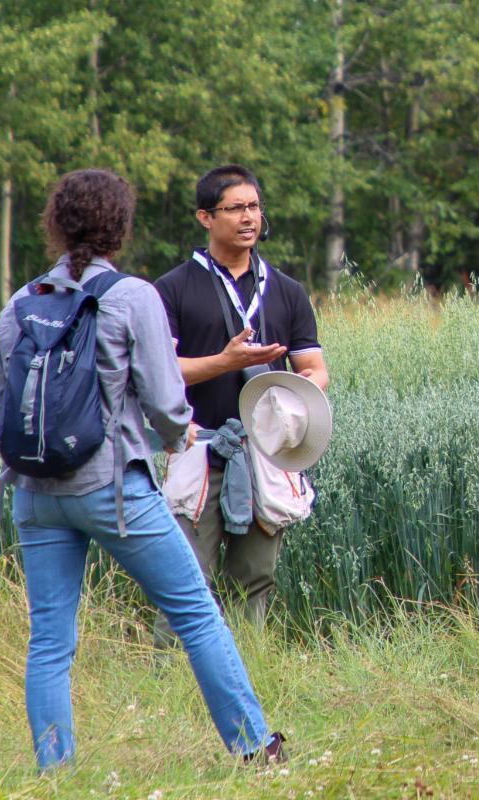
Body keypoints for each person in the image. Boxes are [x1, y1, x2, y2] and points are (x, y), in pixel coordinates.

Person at [0, 168, 283, 770]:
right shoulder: (132, 296)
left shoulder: (22, 302)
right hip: (112, 488)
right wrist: (177, 438)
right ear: (120, 226)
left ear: (57, 225)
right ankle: (254, 745)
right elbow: (167, 402)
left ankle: (54, 769)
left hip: (34, 492)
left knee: (49, 639)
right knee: (196, 612)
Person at [153, 165, 328, 641]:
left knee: (256, 578)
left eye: (254, 207)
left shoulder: (287, 290)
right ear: (205, 217)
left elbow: (314, 368)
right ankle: (166, 679)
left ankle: (249, 670)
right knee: (186, 579)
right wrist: (225, 362)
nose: (249, 217)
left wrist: (298, 395)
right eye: (235, 208)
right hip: (197, 448)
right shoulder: (171, 289)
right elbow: (162, 375)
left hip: (267, 453)